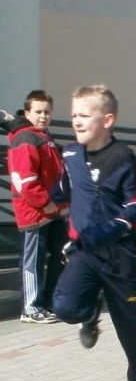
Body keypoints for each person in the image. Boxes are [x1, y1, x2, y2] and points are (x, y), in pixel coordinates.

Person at [51, 85, 136, 381]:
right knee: (65, 307)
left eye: (84, 115)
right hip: (85, 252)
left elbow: (133, 208)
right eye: (74, 115)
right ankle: (90, 312)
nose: (76, 121)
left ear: (108, 120)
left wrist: (105, 232)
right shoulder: (70, 155)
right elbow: (62, 191)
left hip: (121, 254)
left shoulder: (122, 156)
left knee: (132, 330)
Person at [2, 90, 67, 324]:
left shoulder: (43, 136)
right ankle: (31, 309)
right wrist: (46, 204)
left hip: (53, 210)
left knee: (62, 254)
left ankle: (50, 302)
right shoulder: (25, 138)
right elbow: (25, 180)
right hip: (35, 212)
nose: (43, 116)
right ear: (27, 113)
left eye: (47, 112)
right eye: (38, 112)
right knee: (33, 261)